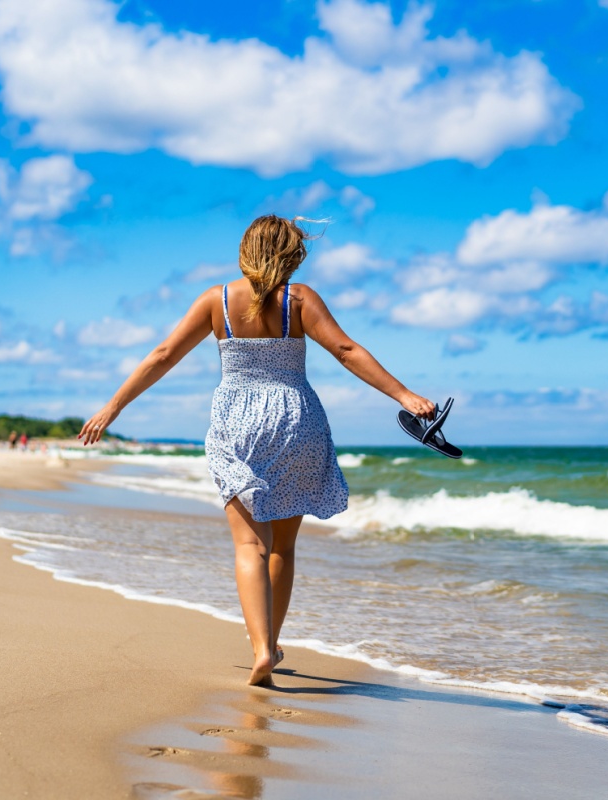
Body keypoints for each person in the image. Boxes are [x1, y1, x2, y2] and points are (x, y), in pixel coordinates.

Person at [78, 215, 435, 687]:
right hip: (297, 420)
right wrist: (405, 396)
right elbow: (346, 350)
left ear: (246, 248)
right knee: (282, 546)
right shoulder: (300, 299)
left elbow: (164, 354)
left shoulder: (216, 300)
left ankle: (262, 649)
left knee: (250, 543)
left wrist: (113, 406)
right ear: (290, 253)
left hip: (237, 422)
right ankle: (273, 643)